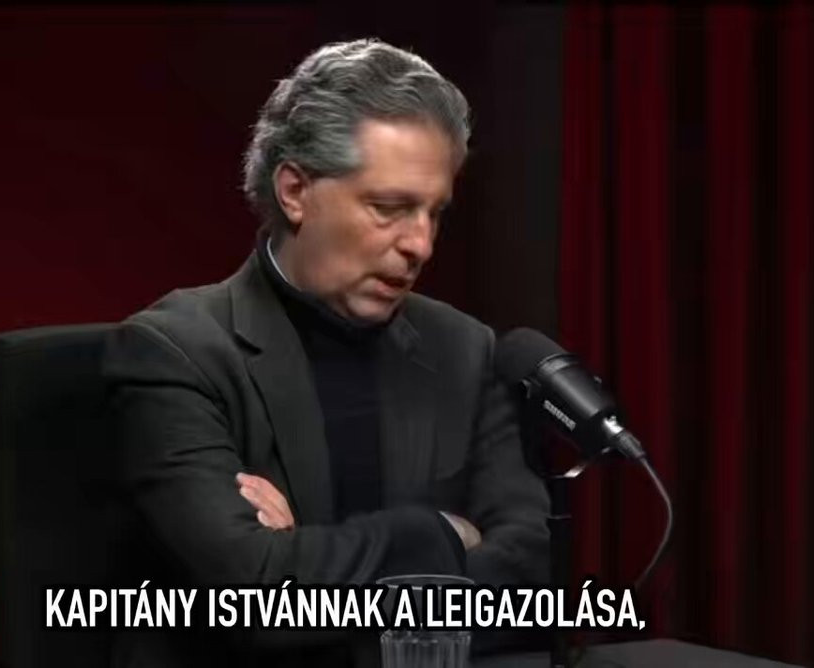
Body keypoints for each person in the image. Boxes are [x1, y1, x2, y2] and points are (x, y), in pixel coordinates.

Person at [102, 38, 551, 667]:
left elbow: (531, 582)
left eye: (434, 214)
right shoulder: (174, 351)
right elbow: (251, 599)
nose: (421, 245)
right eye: (390, 208)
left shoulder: (464, 348)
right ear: (295, 191)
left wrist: (308, 566)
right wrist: (442, 533)